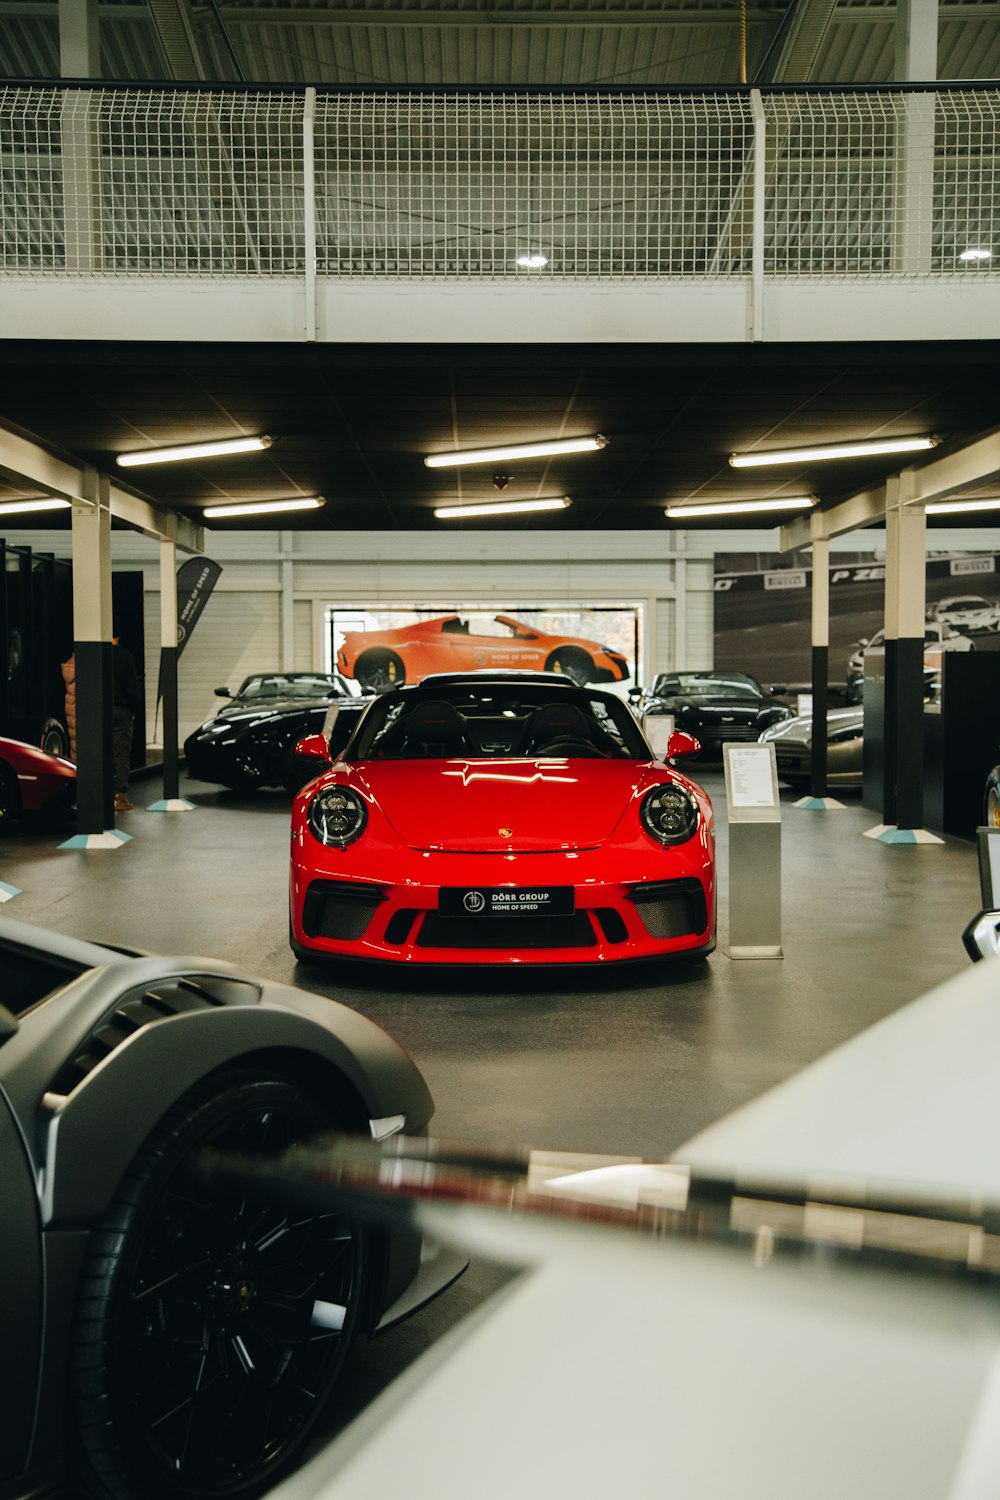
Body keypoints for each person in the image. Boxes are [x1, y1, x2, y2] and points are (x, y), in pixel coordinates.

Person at [112, 633, 143, 812]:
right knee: (121, 752)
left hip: (100, 710)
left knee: (103, 752)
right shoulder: (125, 656)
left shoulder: (96, 654)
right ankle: (120, 796)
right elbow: (132, 688)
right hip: (122, 710)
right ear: (120, 635)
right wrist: (134, 710)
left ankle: (102, 794)